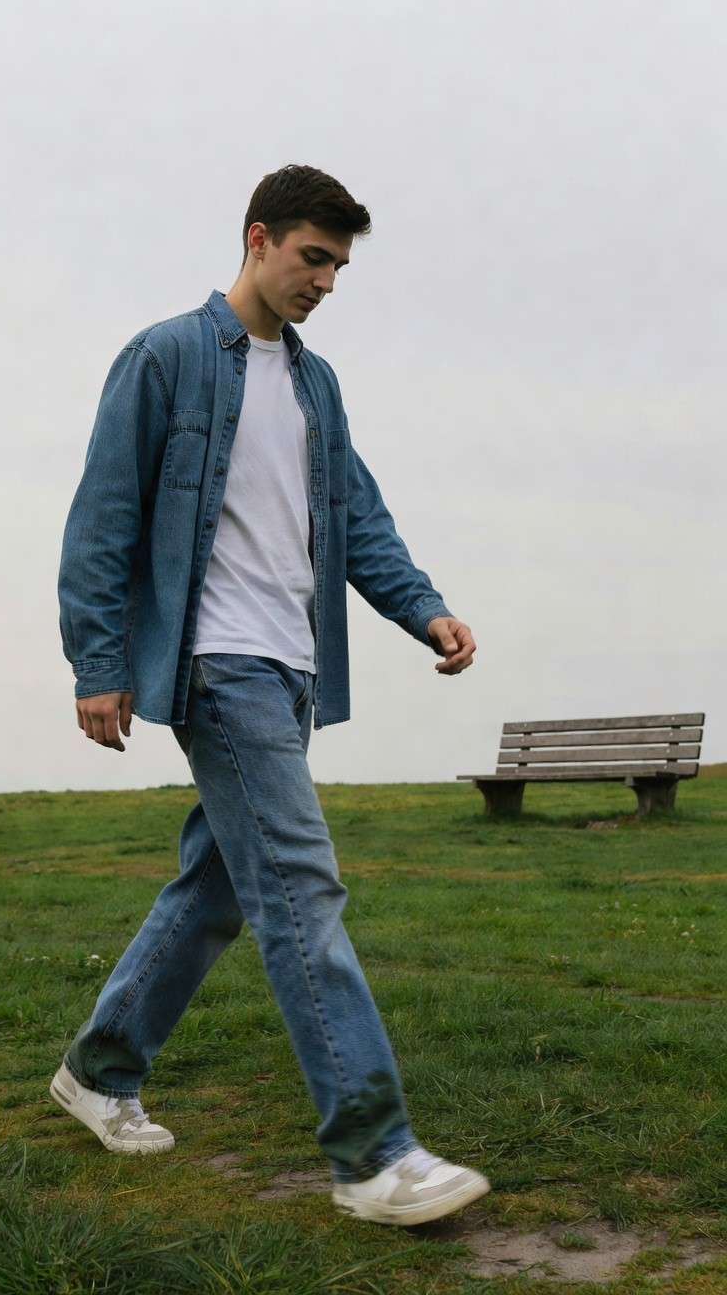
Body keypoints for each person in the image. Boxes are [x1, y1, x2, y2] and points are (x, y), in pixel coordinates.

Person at [52, 164, 490, 1226]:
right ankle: (374, 1154)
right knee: (300, 887)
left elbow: (357, 518)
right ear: (258, 239)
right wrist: (98, 663)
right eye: (312, 258)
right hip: (219, 662)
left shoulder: (313, 384)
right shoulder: (164, 357)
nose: (326, 282)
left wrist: (423, 608)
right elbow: (103, 516)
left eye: (338, 267)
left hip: (293, 669)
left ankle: (98, 1070)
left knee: (217, 889)